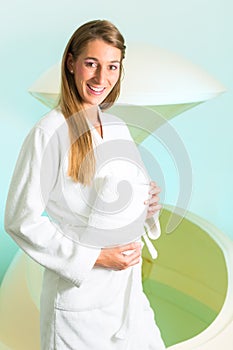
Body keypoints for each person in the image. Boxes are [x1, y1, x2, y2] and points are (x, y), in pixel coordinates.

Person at [4, 19, 166, 350]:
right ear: (71, 63)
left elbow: (122, 198)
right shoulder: (48, 133)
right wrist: (95, 257)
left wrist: (146, 204)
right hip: (79, 304)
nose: (100, 78)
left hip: (129, 297)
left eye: (111, 67)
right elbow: (20, 219)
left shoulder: (117, 127)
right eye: (91, 64)